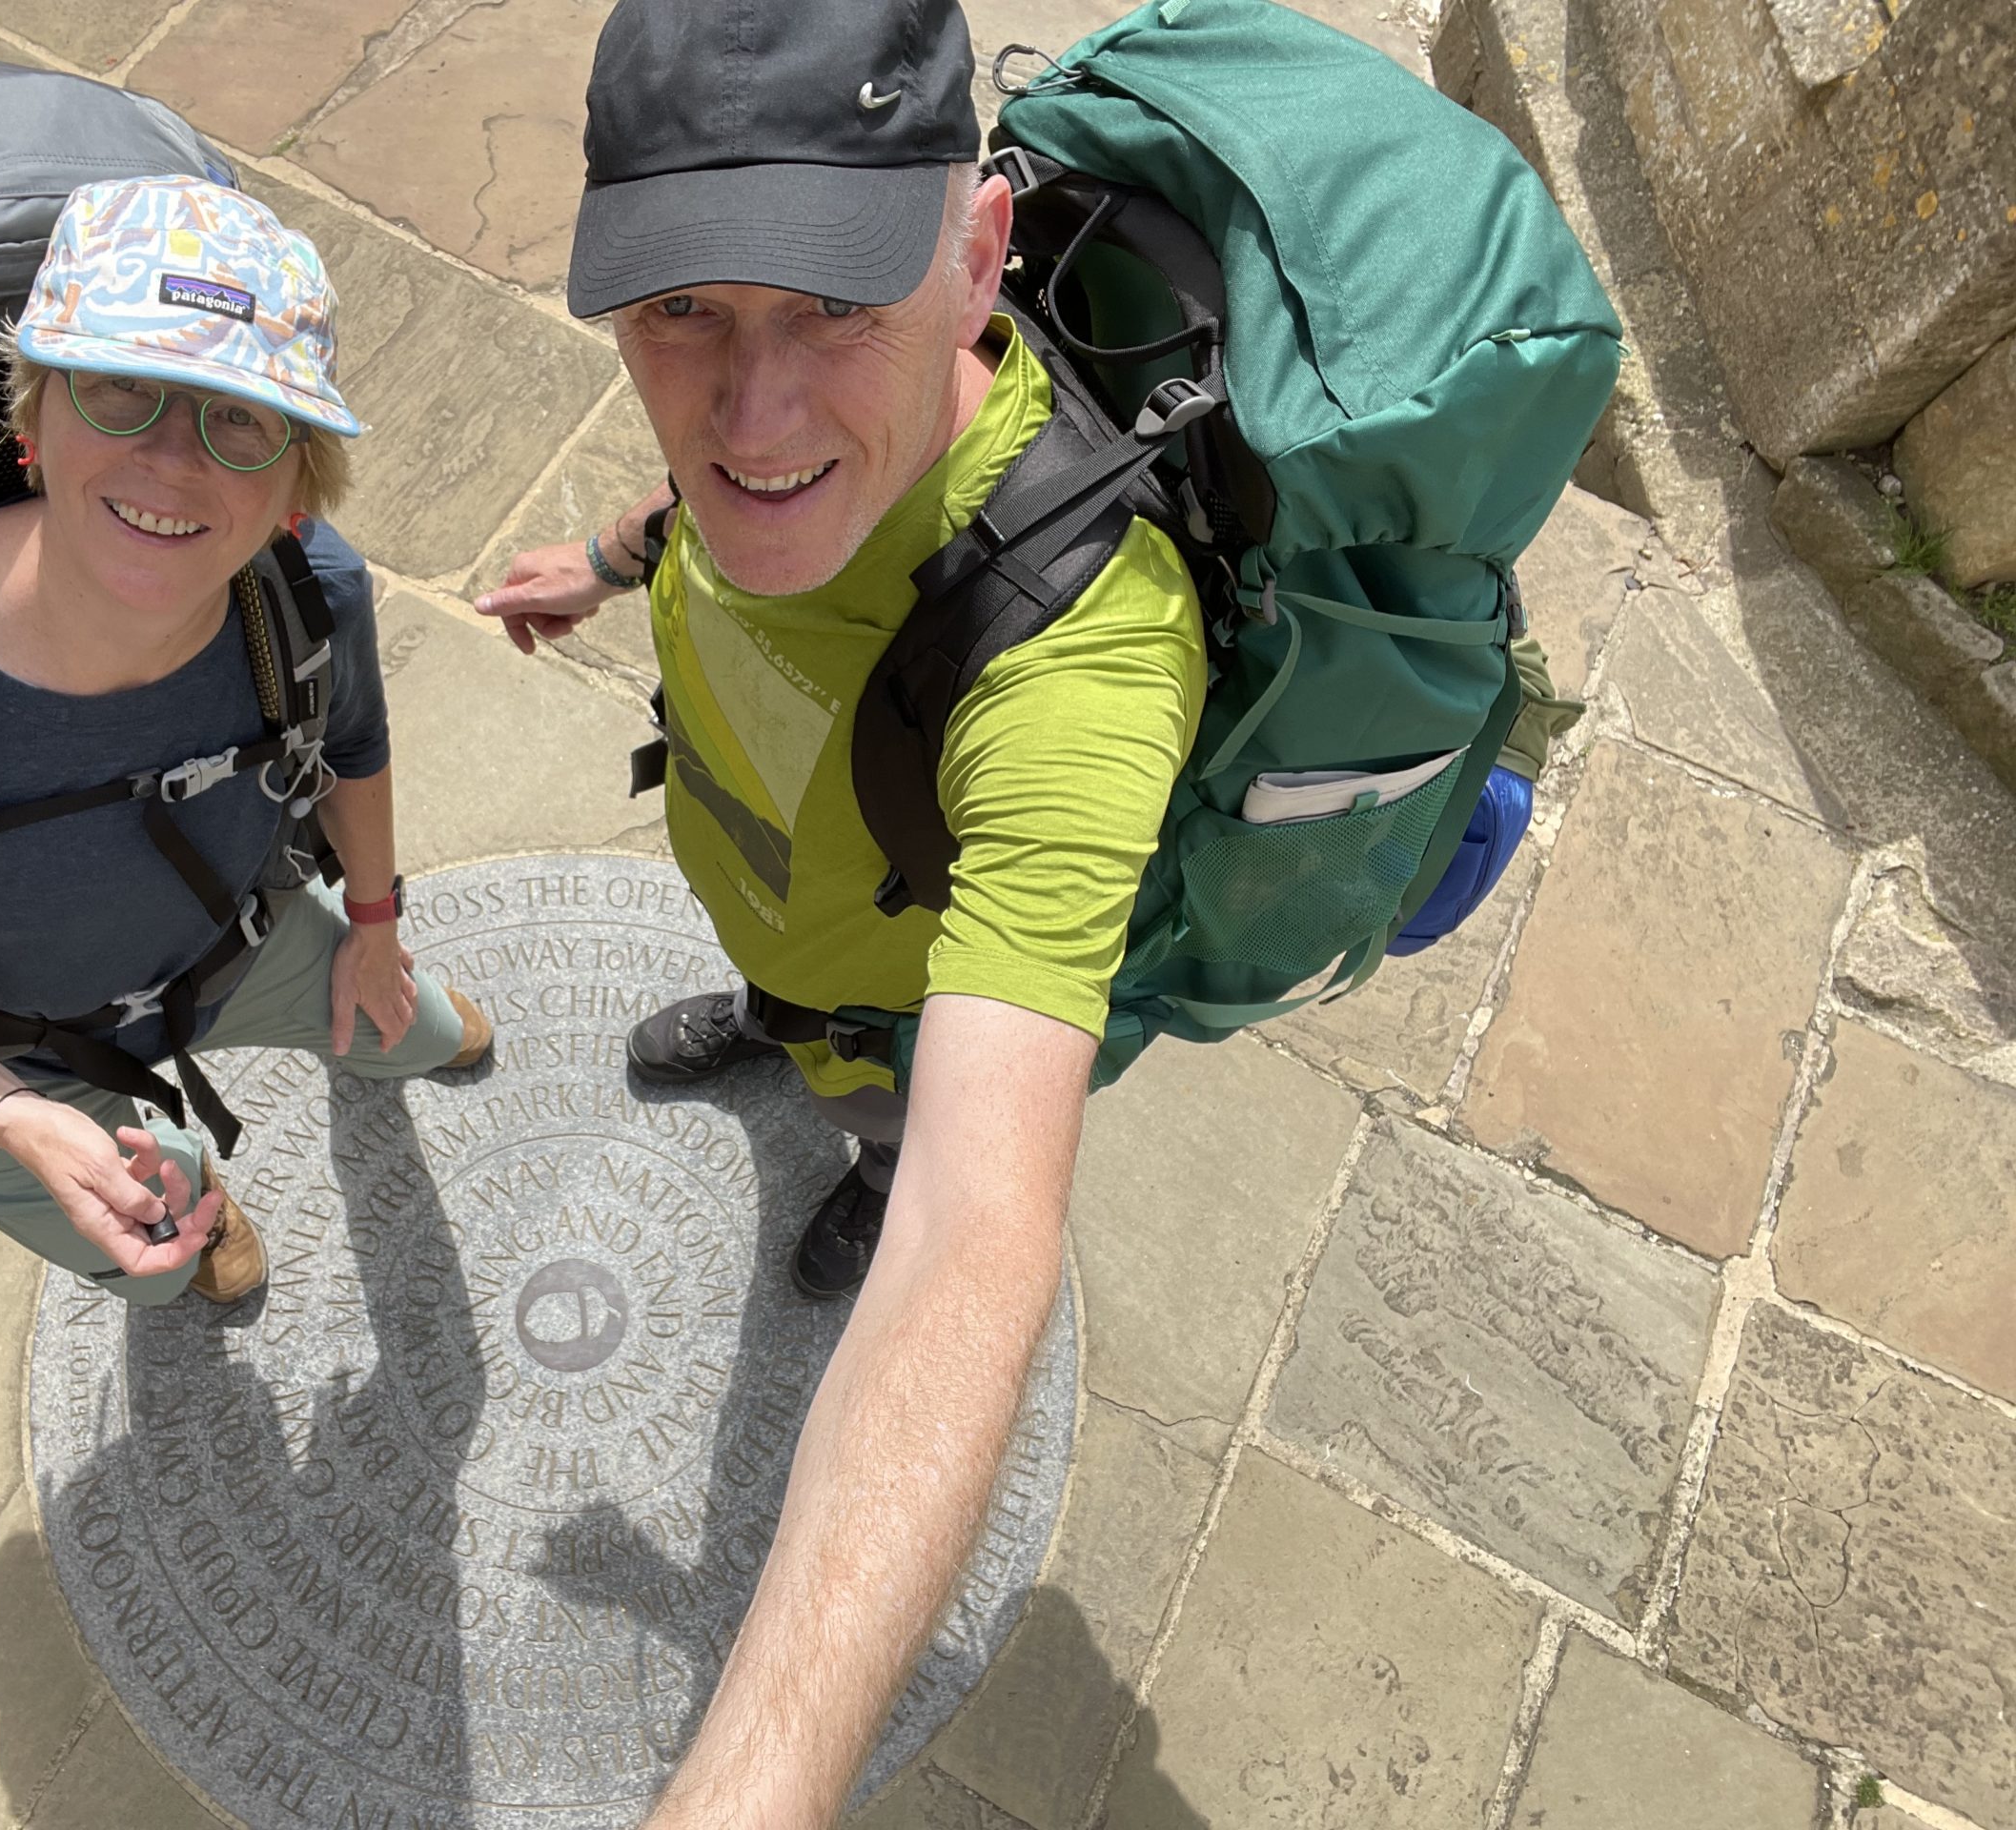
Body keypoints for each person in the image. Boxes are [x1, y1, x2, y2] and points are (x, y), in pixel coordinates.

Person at [475, 0, 1205, 1819]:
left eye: (833, 308)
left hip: (899, 1001)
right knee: (781, 994)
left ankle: (846, 1147)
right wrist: (614, 558)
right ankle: (775, 1025)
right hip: (775, 902)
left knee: (896, 1148)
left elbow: (987, 1228)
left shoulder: (1086, 663)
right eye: (680, 312)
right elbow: (729, 496)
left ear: (977, 257)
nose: (754, 410)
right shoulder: (759, 447)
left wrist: (757, 1786)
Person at [0, 177, 490, 1308]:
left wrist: (373, 924)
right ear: (31, 421)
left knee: (407, 1021)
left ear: (294, 487)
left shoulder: (309, 594)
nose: (173, 459)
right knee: (154, 1245)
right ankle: (190, 1215)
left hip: (248, 942)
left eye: (239, 416)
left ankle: (405, 1034)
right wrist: (8, 1118)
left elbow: (352, 748)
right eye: (122, 389)